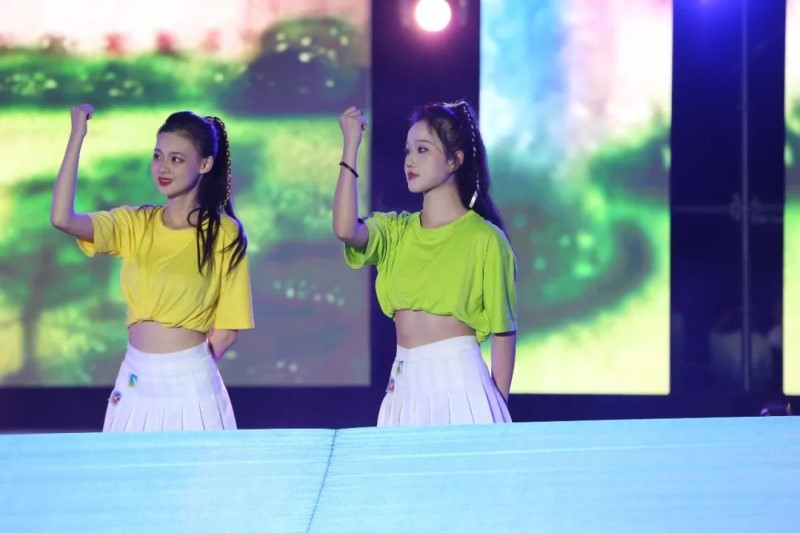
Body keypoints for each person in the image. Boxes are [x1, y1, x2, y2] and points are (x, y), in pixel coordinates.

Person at [50, 104, 254, 432]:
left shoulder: (223, 233)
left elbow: (227, 332)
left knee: (198, 467)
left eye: (177, 159)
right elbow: (62, 218)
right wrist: (77, 135)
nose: (163, 168)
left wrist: (184, 370)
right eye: (158, 156)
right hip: (135, 377)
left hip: (192, 381)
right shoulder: (136, 223)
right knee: (122, 465)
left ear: (205, 164)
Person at [333, 101, 517, 426]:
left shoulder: (485, 239)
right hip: (403, 385)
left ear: (455, 160)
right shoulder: (395, 231)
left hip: (462, 385)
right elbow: (346, 230)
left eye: (422, 149)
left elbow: (504, 332)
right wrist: (351, 146)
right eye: (407, 151)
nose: (410, 160)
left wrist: (498, 411)